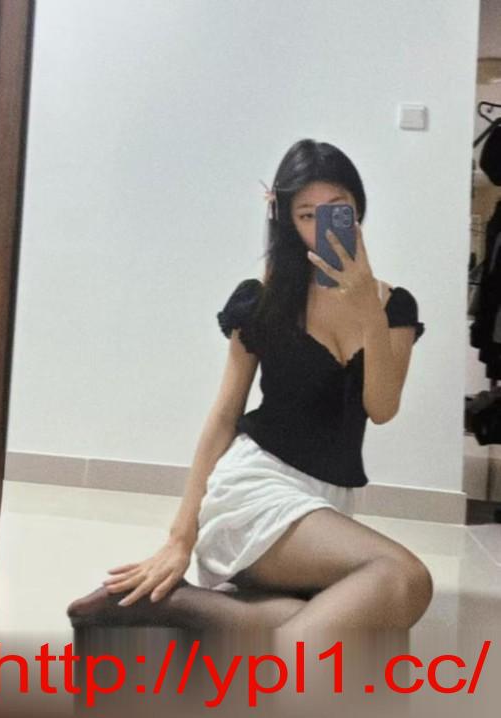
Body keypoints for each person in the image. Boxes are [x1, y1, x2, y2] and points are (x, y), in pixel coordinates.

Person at [67, 139, 432, 636]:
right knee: (407, 577)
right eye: (307, 215)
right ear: (287, 221)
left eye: (337, 209)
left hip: (324, 509)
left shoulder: (394, 307)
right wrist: (180, 537)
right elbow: (223, 417)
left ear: (358, 208)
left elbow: (382, 407)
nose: (323, 225)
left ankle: (182, 606)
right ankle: (288, 663)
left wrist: (367, 304)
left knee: (385, 604)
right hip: (254, 492)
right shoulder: (263, 300)